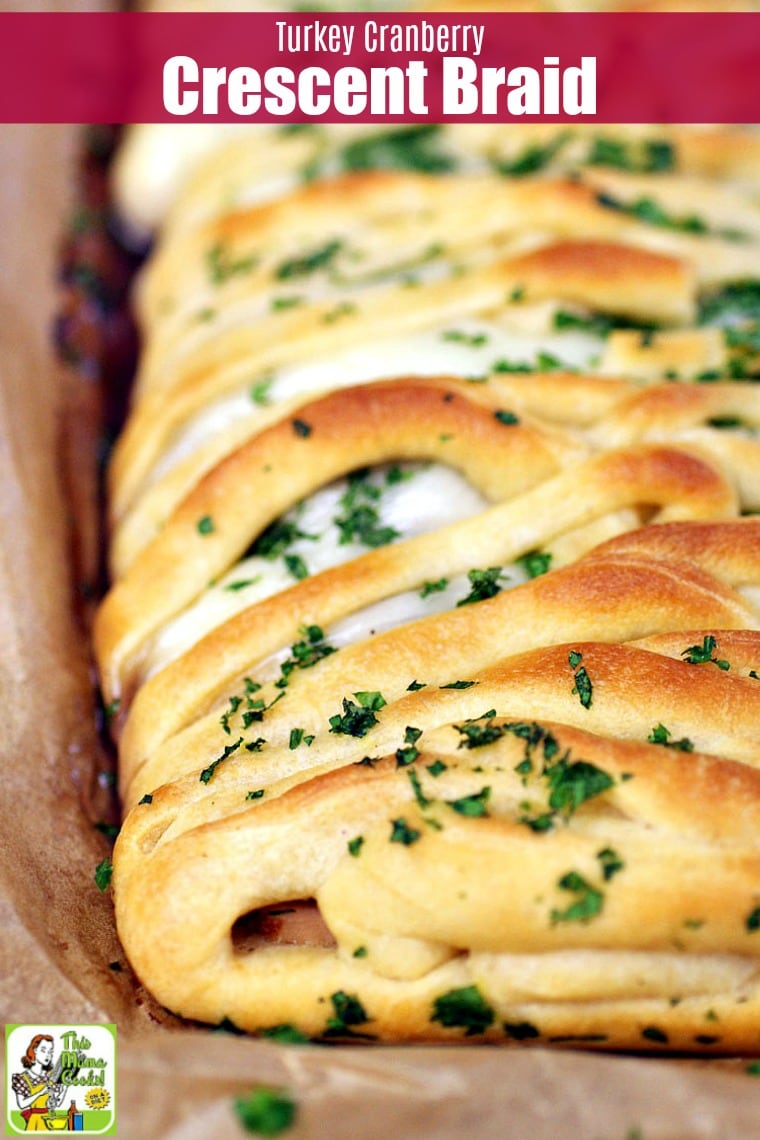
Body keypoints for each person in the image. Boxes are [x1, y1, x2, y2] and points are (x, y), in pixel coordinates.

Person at [10, 1035, 65, 1131]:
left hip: (49, 1121)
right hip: (34, 1122)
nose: (48, 1055)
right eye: (44, 1050)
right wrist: (40, 1093)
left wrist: (65, 1086)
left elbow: (57, 1103)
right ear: (34, 1050)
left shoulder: (50, 1076)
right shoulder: (21, 1078)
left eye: (50, 1052)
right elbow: (22, 1104)